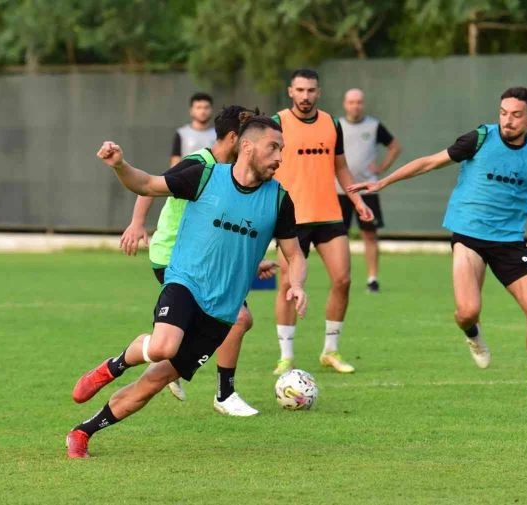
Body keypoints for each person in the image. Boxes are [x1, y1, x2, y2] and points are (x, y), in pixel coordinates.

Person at [349, 87, 527, 398]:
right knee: (467, 312)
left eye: (516, 115)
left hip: (509, 243)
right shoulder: (480, 138)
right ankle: (472, 333)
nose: (507, 120)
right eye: (503, 113)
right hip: (469, 236)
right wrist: (384, 181)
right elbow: (429, 162)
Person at [66, 116, 306, 458]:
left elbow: (294, 254)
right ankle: (113, 366)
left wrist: (296, 283)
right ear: (247, 147)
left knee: (153, 382)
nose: (280, 157)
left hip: (221, 313)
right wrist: (119, 165)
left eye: (282, 149)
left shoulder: (279, 200)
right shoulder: (205, 176)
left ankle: (82, 432)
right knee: (162, 346)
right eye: (273, 148)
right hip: (186, 283)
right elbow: (147, 184)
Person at [119, 106, 274, 415]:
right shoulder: (199, 163)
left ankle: (171, 360)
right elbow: (150, 185)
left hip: (203, 258)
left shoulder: (235, 174)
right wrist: (137, 223)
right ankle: (223, 394)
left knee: (229, 321)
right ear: (236, 138)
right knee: (238, 319)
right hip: (173, 256)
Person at [271, 68, 374, 376]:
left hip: (329, 214)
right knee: (287, 285)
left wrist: (357, 200)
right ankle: (286, 356)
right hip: (291, 218)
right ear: (291, 91)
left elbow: (340, 167)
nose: (305, 96)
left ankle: (330, 350)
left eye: (311, 90)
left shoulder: (332, 123)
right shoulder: (277, 123)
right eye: (300, 90)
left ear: (319, 92)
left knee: (343, 280)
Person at [335, 88, 402, 293]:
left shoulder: (374, 126)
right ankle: (340, 277)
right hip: (340, 190)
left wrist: (382, 168)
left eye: (358, 102)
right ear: (345, 104)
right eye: (351, 102)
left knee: (369, 235)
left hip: (367, 190)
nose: (355, 106)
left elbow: (395, 147)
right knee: (338, 237)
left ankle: (372, 279)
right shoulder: (336, 126)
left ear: (363, 104)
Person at [171, 92, 217, 166]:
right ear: (191, 111)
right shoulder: (182, 134)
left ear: (211, 110)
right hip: (187, 173)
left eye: (206, 107)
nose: (203, 111)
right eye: (198, 107)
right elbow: (175, 162)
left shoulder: (218, 134)